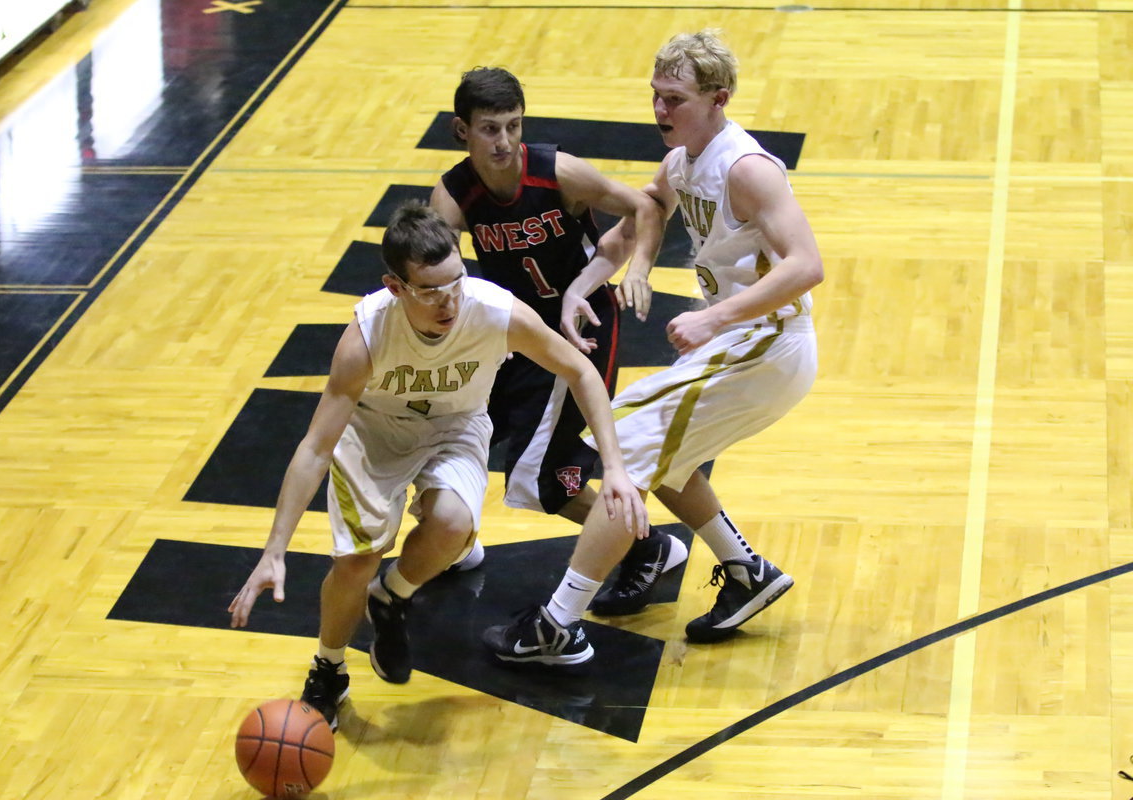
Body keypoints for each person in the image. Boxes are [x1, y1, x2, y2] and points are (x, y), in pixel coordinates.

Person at [228, 202, 647, 729]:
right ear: (396, 286)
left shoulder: (494, 311)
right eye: (430, 290)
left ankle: (393, 595)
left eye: (456, 281)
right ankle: (329, 667)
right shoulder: (365, 338)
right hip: (375, 433)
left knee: (453, 524)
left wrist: (613, 467)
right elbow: (314, 447)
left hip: (455, 427)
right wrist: (274, 550)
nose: (449, 300)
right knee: (356, 561)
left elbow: (581, 371)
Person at [484, 29, 822, 663]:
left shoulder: (745, 170)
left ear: (719, 99)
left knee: (624, 453)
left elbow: (806, 265)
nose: (661, 111)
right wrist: (583, 286)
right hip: (747, 342)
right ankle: (746, 571)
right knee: (664, 450)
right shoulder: (679, 162)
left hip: (769, 342)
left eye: (676, 99)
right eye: (656, 96)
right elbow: (639, 218)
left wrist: (715, 317)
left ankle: (560, 624)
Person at [429, 67, 687, 615]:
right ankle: (451, 538)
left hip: (578, 328)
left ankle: (647, 548)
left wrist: (638, 269)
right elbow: (430, 268)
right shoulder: (453, 193)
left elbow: (646, 207)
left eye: (513, 127)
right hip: (511, 335)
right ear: (461, 131)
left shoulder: (556, 172)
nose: (504, 142)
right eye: (490, 129)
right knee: (444, 429)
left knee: (547, 481)